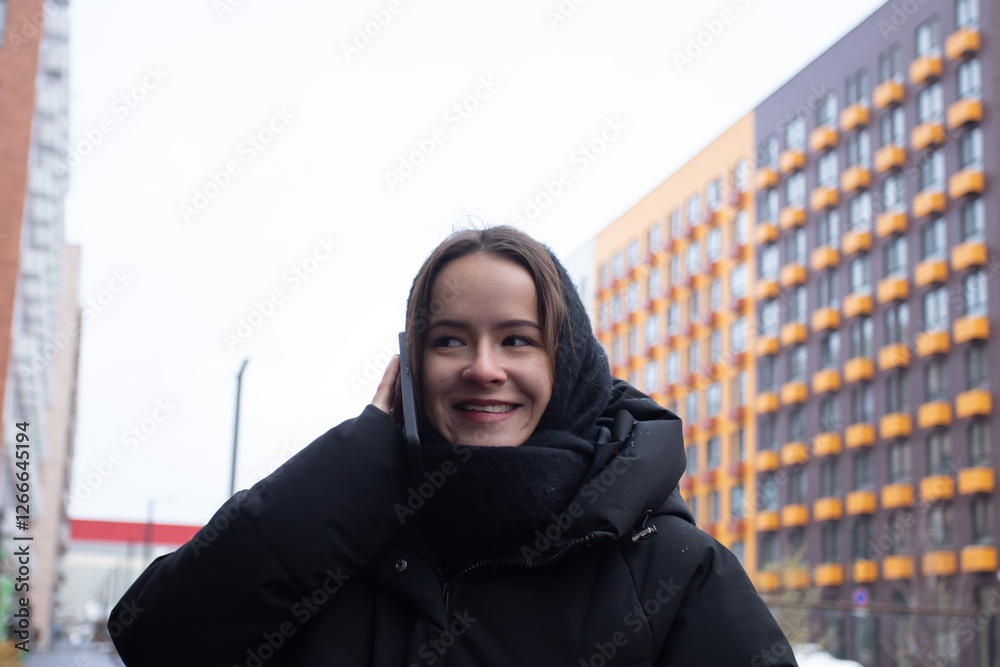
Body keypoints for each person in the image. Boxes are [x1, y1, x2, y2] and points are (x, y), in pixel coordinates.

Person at [109, 225, 797, 666]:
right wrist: (360, 456)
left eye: (517, 340)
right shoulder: (336, 538)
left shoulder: (669, 566)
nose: (483, 368)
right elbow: (158, 639)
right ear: (409, 367)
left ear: (567, 365)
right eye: (449, 341)